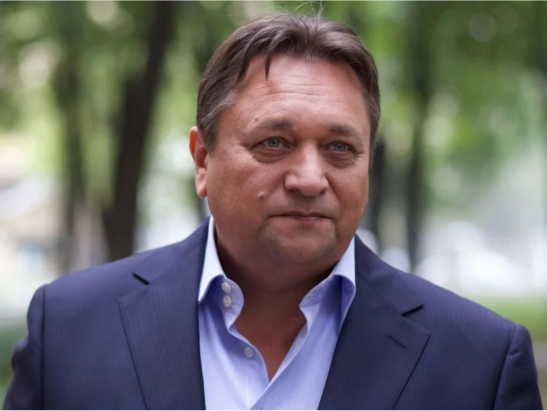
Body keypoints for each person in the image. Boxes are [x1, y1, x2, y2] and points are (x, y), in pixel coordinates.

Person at [4, 13, 542, 410]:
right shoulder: (71, 330)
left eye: (340, 148)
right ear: (203, 160)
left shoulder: (481, 362)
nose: (309, 179)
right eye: (275, 143)